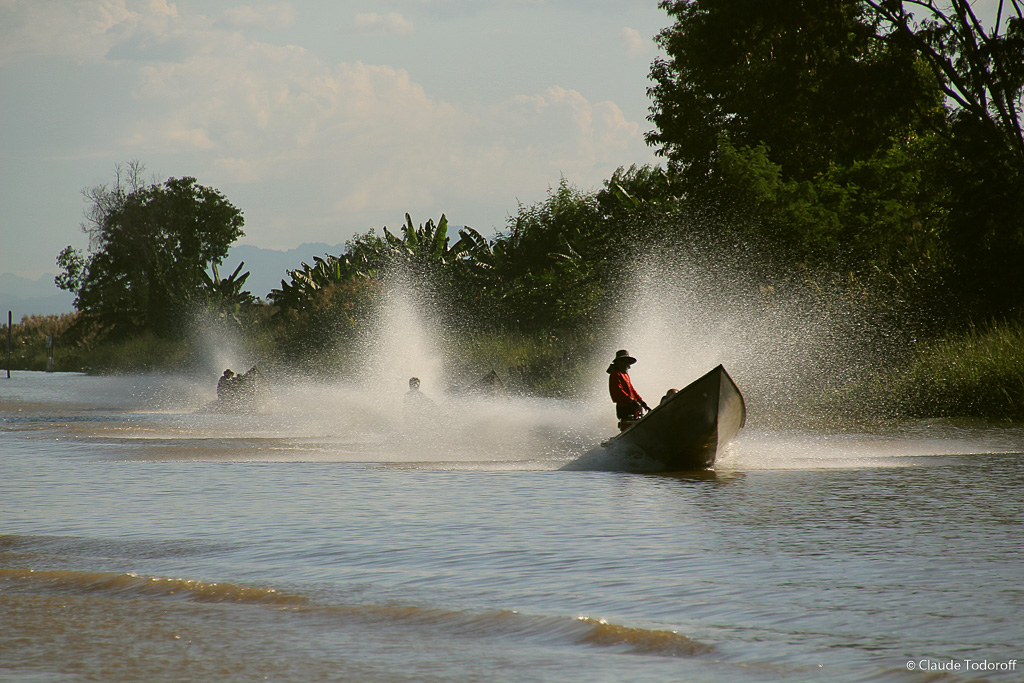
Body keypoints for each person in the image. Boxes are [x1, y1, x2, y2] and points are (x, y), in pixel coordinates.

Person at [607, 349, 649, 431]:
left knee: (635, 425)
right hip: (624, 407)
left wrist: (642, 402)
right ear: (618, 362)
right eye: (624, 361)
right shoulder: (615, 374)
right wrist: (632, 401)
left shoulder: (625, 374)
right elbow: (619, 391)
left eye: (627, 361)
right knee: (628, 428)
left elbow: (632, 390)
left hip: (631, 407)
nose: (626, 363)